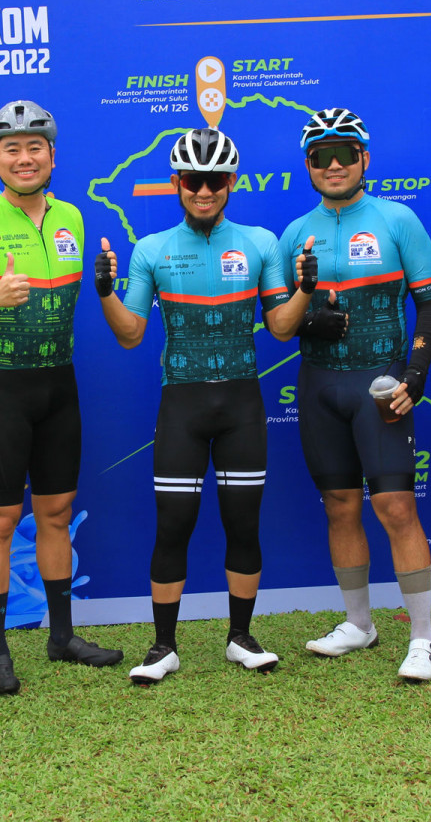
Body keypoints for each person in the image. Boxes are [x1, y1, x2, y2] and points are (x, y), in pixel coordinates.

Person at [98, 128, 303, 684]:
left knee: (243, 525)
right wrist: (106, 293)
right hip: (182, 409)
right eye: (194, 180)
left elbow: (282, 328)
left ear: (231, 182)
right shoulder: (152, 249)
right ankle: (163, 646)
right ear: (177, 183)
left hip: (242, 406)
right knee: (173, 527)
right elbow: (131, 335)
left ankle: (240, 637)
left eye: (215, 181)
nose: (204, 191)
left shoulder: (260, 242)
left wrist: (304, 290)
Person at [0, 100, 123, 695]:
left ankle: (61, 636)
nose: (24, 158)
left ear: (52, 155)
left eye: (34, 147)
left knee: (55, 513)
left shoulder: (72, 217)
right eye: (12, 149)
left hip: (58, 387)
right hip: (0, 389)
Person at [275, 107, 431, 682]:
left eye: (345, 153)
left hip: (380, 382)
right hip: (319, 384)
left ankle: (422, 637)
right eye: (321, 156)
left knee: (395, 507)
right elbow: (280, 319)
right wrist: (309, 321)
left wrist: (415, 374)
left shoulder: (398, 220)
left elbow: (428, 304)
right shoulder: (294, 233)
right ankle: (359, 623)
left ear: (364, 158)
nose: (334, 165)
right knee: (339, 505)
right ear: (308, 166)